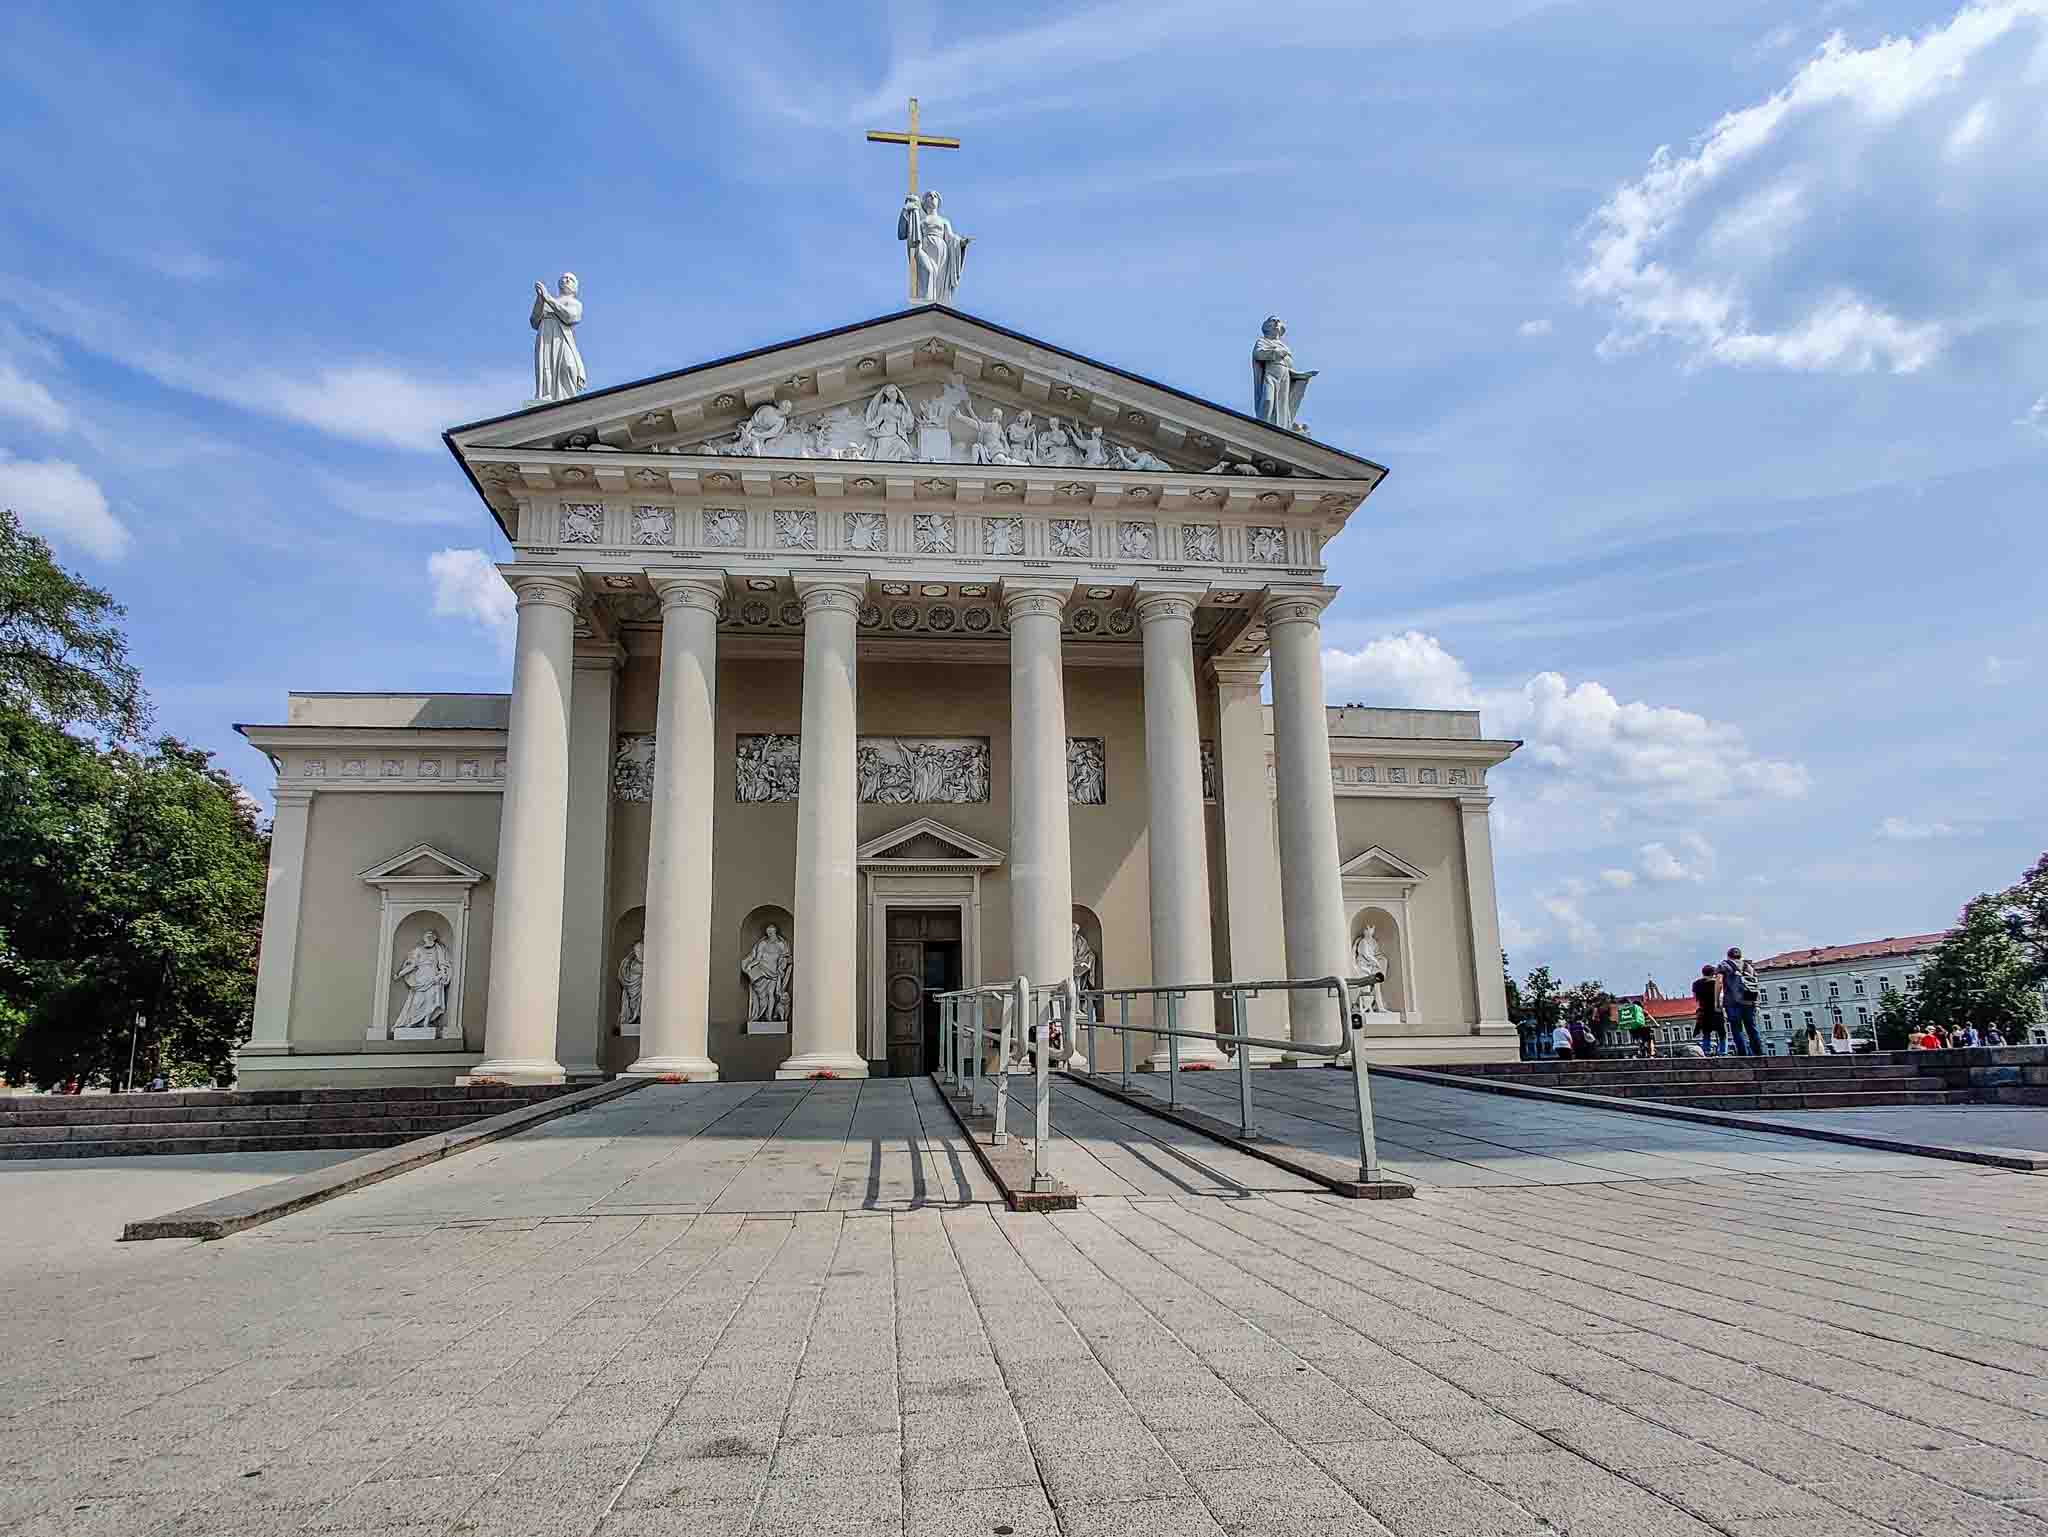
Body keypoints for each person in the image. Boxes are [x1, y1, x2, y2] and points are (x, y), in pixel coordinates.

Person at [1718, 947, 1763, 1057]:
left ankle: (1743, 1054)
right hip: (1749, 1001)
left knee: (1737, 1029)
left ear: (1728, 956)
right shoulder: (1748, 966)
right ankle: (1758, 1053)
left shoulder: (1725, 964)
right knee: (1752, 1028)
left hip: (1733, 1002)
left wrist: (1718, 1000)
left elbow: (1718, 977)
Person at [1692, 964, 1725, 1054]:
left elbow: (1695, 997)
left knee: (1706, 1032)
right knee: (1721, 1033)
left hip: (1704, 1010)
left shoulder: (1696, 983)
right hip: (1716, 1009)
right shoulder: (1716, 982)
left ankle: (1706, 1051)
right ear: (1713, 973)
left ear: (1703, 973)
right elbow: (1721, 996)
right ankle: (1722, 1051)